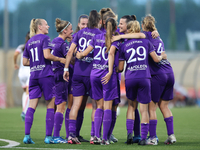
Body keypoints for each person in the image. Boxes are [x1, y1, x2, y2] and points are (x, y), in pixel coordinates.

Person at [117, 20, 166, 145]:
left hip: (130, 78)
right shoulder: (146, 42)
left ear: (128, 30)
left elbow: (121, 68)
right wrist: (162, 56)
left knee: (131, 107)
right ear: (139, 29)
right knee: (144, 109)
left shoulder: (124, 45)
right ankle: (144, 138)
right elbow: (155, 59)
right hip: (144, 77)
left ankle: (129, 135)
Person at [76, 17, 120, 145]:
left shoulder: (96, 38)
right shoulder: (114, 39)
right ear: (115, 28)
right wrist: (110, 71)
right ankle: (105, 139)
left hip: (94, 74)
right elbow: (111, 54)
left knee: (98, 106)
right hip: (106, 75)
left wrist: (78, 54)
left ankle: (96, 136)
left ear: (104, 27)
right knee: (107, 107)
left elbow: (84, 53)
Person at [22, 18, 66, 144]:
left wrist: (36, 64)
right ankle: (48, 137)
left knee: (31, 106)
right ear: (40, 27)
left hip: (34, 76)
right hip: (46, 75)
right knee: (50, 106)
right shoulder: (45, 39)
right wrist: (60, 59)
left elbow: (25, 62)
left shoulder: (29, 41)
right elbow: (47, 55)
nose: (48, 27)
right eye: (46, 25)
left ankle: (27, 136)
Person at [63, 10, 102, 144]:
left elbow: (70, 52)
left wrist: (66, 68)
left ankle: (72, 135)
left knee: (75, 105)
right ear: (98, 21)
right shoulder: (99, 33)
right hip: (93, 74)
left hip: (78, 73)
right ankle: (93, 136)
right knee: (96, 105)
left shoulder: (79, 34)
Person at [141, 14, 176, 145]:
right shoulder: (158, 37)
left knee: (152, 108)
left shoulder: (144, 36)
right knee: (164, 106)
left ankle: (153, 138)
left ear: (143, 25)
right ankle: (171, 135)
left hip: (158, 74)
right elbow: (164, 54)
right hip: (169, 72)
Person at [51, 18, 73, 143]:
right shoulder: (63, 44)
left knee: (54, 107)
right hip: (61, 76)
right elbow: (70, 59)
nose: (72, 31)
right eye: (70, 29)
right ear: (64, 31)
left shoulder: (54, 41)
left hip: (53, 75)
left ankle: (52, 135)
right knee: (61, 107)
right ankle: (56, 136)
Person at [13, 32, 30, 121]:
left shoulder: (21, 47)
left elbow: (15, 54)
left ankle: (24, 110)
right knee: (28, 93)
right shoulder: (33, 46)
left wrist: (15, 64)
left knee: (25, 92)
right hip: (29, 72)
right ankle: (24, 111)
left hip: (21, 73)